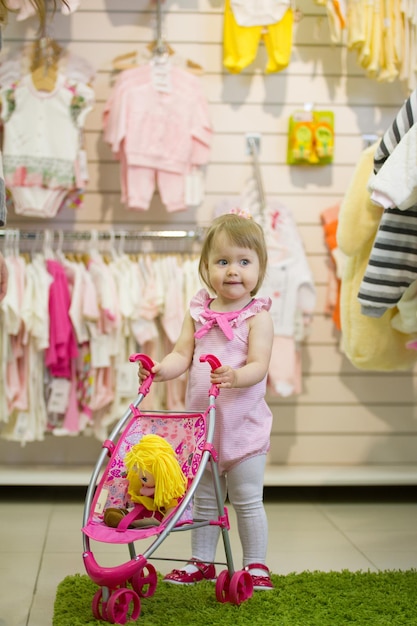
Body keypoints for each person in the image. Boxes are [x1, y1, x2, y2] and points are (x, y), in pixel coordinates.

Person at [138, 212, 275, 590]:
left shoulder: (257, 318)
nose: (233, 271)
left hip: (243, 429)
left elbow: (259, 366)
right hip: (203, 431)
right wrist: (161, 370)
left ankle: (256, 566)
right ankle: (201, 561)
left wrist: (234, 376)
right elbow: (182, 355)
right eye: (223, 261)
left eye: (244, 262)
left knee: (247, 500)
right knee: (204, 502)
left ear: (259, 268)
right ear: (206, 267)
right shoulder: (198, 313)